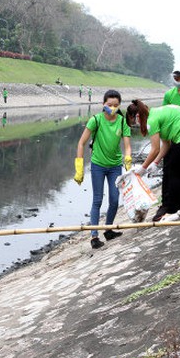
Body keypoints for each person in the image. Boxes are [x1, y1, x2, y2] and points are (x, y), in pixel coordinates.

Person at [125, 101, 180, 221]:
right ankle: (178, 203)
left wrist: (143, 168)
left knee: (174, 173)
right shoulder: (157, 113)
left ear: (136, 116)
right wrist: (155, 163)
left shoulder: (151, 121)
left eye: (134, 122)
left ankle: (171, 210)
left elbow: (155, 149)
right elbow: (166, 144)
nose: (137, 124)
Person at [75, 90, 132, 248]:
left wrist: (128, 162)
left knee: (114, 200)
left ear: (119, 105)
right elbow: (81, 143)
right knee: (97, 200)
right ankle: (94, 236)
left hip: (115, 166)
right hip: (98, 165)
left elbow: (127, 146)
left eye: (115, 105)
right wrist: (79, 168)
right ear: (103, 104)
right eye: (109, 105)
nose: (112, 108)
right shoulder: (96, 120)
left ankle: (108, 229)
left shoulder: (122, 122)